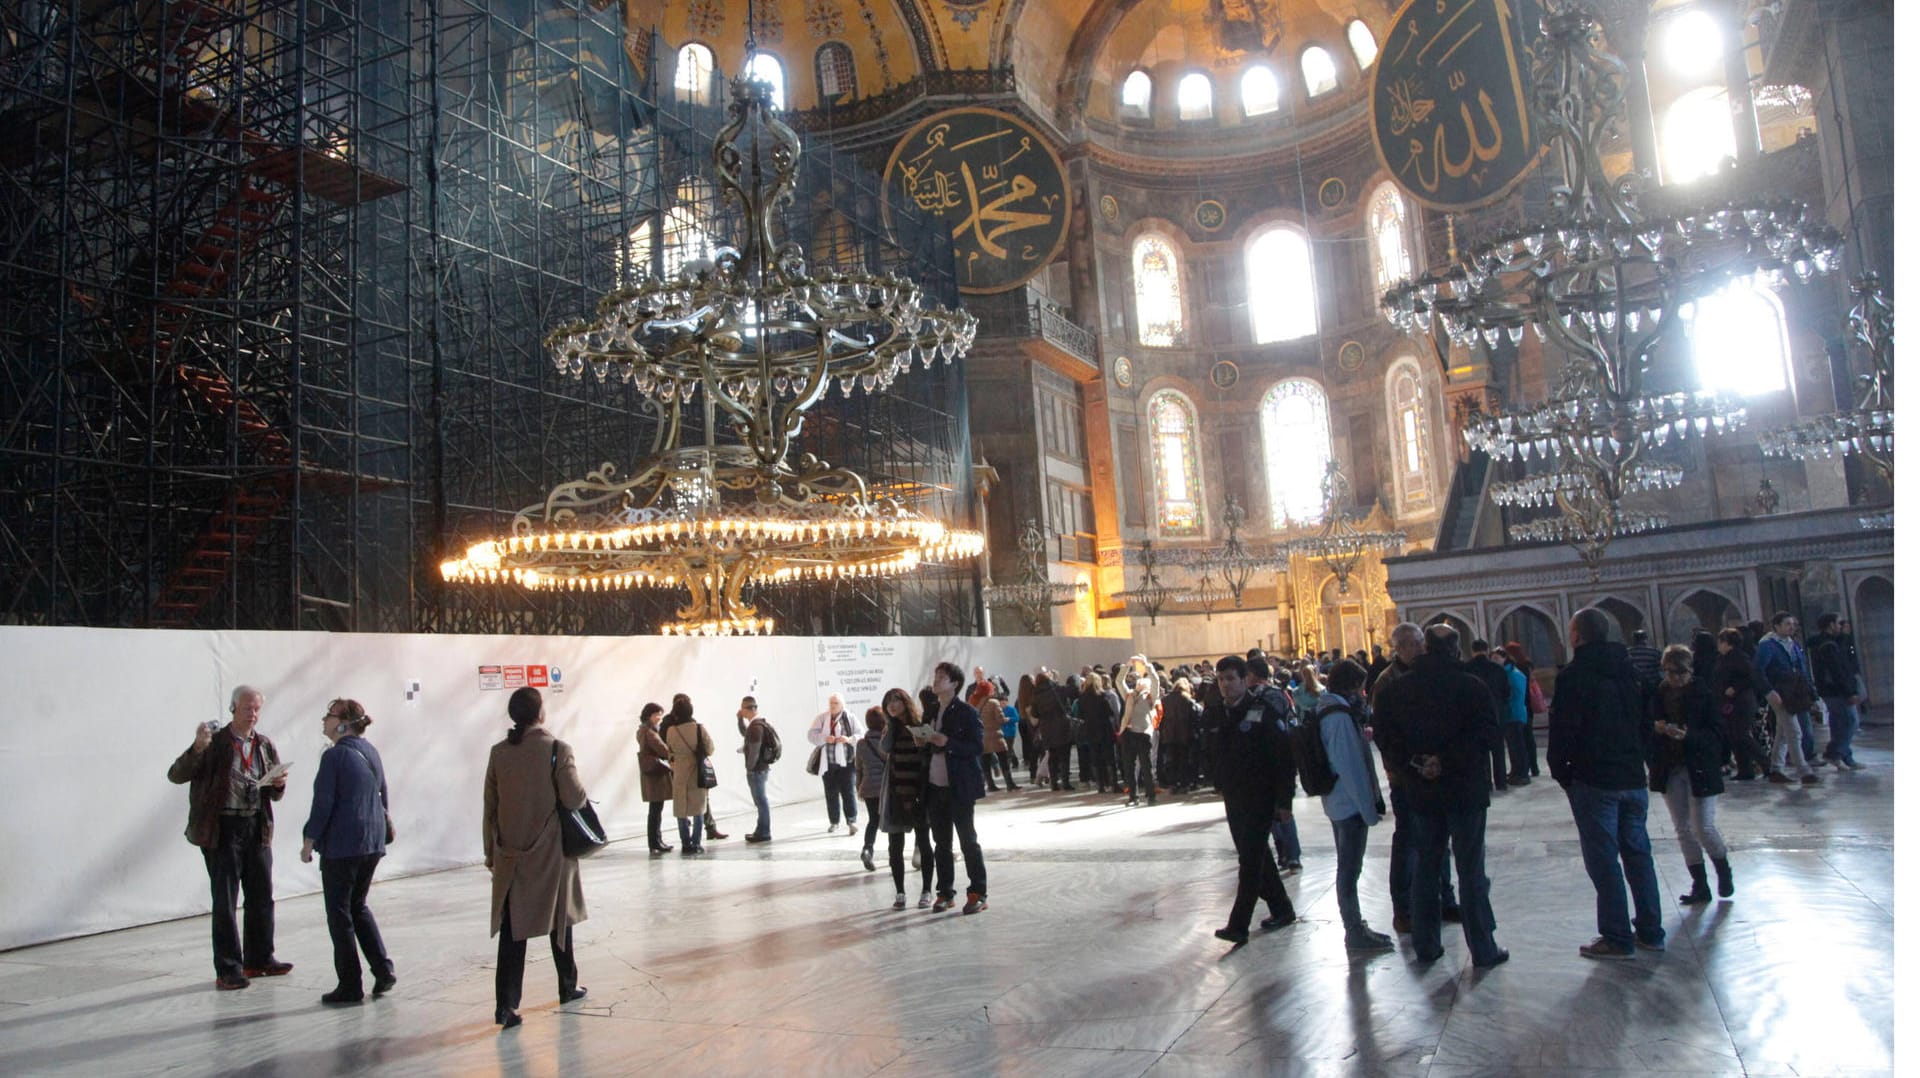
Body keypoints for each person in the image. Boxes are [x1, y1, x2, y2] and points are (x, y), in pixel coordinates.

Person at [1371, 626, 1507, 968]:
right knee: (1470, 868)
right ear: (1456, 650)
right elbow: (1488, 735)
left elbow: (1386, 740)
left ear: (1424, 648)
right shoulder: (1472, 686)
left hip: (1422, 791)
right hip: (1465, 791)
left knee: (1427, 868)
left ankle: (1426, 945)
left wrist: (1418, 764)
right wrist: (1447, 761)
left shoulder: (1397, 690)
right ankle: (1483, 948)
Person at [1548, 608, 1665, 960]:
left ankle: (1617, 936)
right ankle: (1651, 931)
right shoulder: (1631, 673)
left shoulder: (1574, 676)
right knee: (1638, 854)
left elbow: (1563, 731)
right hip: (1631, 776)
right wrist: (1637, 758)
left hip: (1594, 780)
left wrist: (1563, 773)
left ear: (1577, 635)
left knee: (1604, 859)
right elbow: (1647, 724)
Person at [167, 684, 292, 991]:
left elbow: (274, 794)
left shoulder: (263, 745)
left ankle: (260, 958)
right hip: (222, 829)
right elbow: (176, 774)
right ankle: (228, 968)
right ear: (234, 709)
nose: (253, 715)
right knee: (225, 901)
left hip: (256, 826)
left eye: (258, 709)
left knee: (261, 895)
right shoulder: (214, 742)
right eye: (248, 708)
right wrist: (197, 748)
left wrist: (278, 783)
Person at [483, 687, 588, 1028]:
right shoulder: (557, 749)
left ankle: (506, 1006)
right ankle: (567, 986)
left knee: (513, 931)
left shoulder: (499, 753)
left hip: (511, 854)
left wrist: (490, 852)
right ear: (540, 713)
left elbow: (490, 807)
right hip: (551, 852)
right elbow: (574, 799)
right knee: (560, 919)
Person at [301, 698, 395, 1004]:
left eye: (329, 716)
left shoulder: (334, 757)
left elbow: (323, 802)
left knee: (339, 913)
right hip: (371, 841)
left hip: (344, 845)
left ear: (343, 723)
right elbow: (383, 793)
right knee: (358, 906)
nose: (324, 721)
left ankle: (350, 984)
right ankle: (382, 969)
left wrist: (309, 839)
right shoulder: (370, 751)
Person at [1202, 654, 1298, 945]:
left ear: (1245, 680)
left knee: (1250, 860)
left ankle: (1238, 924)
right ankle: (1282, 907)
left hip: (1261, 796)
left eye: (1231, 678)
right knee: (1257, 857)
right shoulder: (1218, 713)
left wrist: (1285, 802)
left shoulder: (1262, 711)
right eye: (1220, 679)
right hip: (1234, 796)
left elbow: (1283, 758)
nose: (1225, 685)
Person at [1374, 624, 1459, 933]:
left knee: (1440, 837)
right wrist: (1404, 767)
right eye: (1406, 644)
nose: (1413, 649)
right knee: (1408, 839)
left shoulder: (1433, 675)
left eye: (1417, 643)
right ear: (1396, 648)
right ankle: (1403, 907)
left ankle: (1445, 899)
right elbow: (1385, 734)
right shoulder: (1387, 682)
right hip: (1404, 776)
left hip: (1435, 774)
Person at [1646, 645, 1734, 905]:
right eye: (1670, 673)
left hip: (1699, 766)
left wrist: (1689, 736)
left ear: (1690, 671)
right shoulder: (1658, 694)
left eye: (1681, 673)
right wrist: (1658, 729)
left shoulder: (1703, 693)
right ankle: (1700, 883)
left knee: (1703, 826)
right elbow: (1647, 727)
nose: (1675, 678)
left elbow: (1718, 733)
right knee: (1683, 828)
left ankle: (1723, 871)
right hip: (1670, 766)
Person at [1316, 660, 1393, 952]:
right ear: (1350, 686)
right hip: (1347, 804)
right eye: (1360, 688)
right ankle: (1353, 929)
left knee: (1349, 868)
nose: (1362, 694)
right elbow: (1350, 766)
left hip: (1340, 801)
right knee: (1349, 870)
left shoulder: (1332, 709)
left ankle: (1356, 926)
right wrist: (1368, 808)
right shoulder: (1336, 716)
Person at [924, 662, 989, 913]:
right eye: (936, 676)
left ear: (955, 684)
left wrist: (947, 742)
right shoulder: (931, 710)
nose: (937, 680)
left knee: (967, 841)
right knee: (941, 842)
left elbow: (976, 747)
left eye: (942, 677)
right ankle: (945, 892)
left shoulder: (966, 712)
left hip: (959, 786)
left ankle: (978, 892)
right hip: (935, 784)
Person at [878, 687, 936, 908]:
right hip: (895, 794)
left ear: (906, 702)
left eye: (896, 700)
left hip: (918, 791)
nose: (892, 705)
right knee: (895, 845)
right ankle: (900, 892)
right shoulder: (890, 729)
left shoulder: (919, 726)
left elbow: (928, 754)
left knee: (924, 842)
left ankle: (926, 890)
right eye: (888, 701)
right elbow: (884, 748)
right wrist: (891, 726)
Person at [1248, 656, 1301, 873]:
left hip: (1267, 761)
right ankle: (1291, 855)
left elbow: (1251, 729)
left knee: (1274, 812)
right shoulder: (1281, 694)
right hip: (1285, 758)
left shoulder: (1257, 699)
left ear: (1251, 675)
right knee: (1284, 810)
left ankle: (1287, 854)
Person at [1755, 612, 1820, 785]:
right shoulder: (1768, 646)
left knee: (1784, 731)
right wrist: (1769, 691)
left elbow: (1802, 668)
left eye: (1793, 624)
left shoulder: (1793, 644)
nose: (1791, 627)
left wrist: (1810, 691)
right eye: (1787, 624)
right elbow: (1758, 670)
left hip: (1794, 690)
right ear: (1776, 626)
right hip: (1779, 691)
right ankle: (1803, 770)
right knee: (1793, 730)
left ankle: (1775, 769)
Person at [1710, 628, 1768, 781]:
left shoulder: (1739, 657)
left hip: (1741, 702)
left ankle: (1766, 763)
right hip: (1729, 703)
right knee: (1734, 736)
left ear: (1727, 643)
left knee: (1742, 735)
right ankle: (1745, 769)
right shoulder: (1723, 658)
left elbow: (1751, 676)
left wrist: (1735, 687)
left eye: (1720, 642)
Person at [1808, 614, 1862, 769]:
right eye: (1839, 623)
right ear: (1831, 625)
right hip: (1837, 691)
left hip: (1830, 690)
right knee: (1850, 721)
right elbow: (1838, 671)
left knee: (1840, 724)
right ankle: (1835, 752)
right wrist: (1850, 692)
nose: (1841, 626)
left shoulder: (1829, 643)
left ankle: (1844, 757)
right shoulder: (1828, 646)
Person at [664, 694, 716, 855]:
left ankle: (685, 844)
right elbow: (710, 749)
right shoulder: (699, 728)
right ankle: (696, 843)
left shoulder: (671, 731)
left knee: (681, 809)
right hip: (696, 773)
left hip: (679, 773)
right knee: (698, 809)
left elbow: (669, 751)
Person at [808, 693, 860, 835]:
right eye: (831, 703)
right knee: (831, 793)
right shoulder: (822, 718)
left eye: (836, 703)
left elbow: (861, 735)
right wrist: (825, 738)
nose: (832, 706)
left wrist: (848, 739)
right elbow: (811, 735)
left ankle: (851, 821)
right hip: (828, 763)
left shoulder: (849, 718)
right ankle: (834, 822)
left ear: (842, 705)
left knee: (848, 792)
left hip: (846, 763)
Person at [1465, 640, 1513, 792]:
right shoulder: (1497, 669)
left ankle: (1486, 783)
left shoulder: (1468, 668)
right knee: (1498, 750)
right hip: (1497, 714)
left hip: (1476, 716)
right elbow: (1506, 692)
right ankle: (1501, 782)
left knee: (1482, 752)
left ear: (1473, 651)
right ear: (1486, 650)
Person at [1117, 655, 1160, 806]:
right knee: (1129, 767)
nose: (1140, 682)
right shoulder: (1129, 695)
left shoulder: (1150, 697)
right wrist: (1127, 666)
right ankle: (1133, 797)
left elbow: (1156, 681)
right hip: (1128, 734)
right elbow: (1119, 682)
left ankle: (1151, 795)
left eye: (1143, 681)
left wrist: (1147, 665)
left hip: (1143, 734)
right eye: (1139, 682)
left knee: (1146, 766)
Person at [1503, 640, 1545, 779]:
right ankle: (1533, 767)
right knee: (1528, 738)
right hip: (1527, 707)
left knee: (1520, 741)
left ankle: (1524, 769)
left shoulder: (1517, 669)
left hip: (1521, 705)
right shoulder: (1527, 665)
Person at [636, 703, 674, 853]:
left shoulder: (642, 730)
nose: (659, 717)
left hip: (650, 774)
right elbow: (663, 750)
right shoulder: (649, 732)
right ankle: (655, 842)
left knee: (655, 809)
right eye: (657, 714)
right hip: (656, 775)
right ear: (649, 715)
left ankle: (656, 841)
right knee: (656, 810)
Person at [855, 706, 887, 870]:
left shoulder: (861, 744)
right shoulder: (886, 742)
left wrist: (859, 787)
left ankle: (867, 849)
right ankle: (893, 854)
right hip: (885, 787)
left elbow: (858, 768)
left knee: (873, 820)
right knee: (890, 821)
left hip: (868, 787)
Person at [739, 696, 775, 843]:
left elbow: (754, 749)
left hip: (757, 770)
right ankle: (760, 830)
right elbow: (744, 734)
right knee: (761, 801)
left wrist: (749, 768)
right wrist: (739, 720)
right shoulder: (758, 724)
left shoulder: (755, 727)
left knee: (761, 801)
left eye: (742, 708)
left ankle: (764, 832)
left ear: (746, 709)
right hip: (761, 768)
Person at [1033, 670, 1077, 791]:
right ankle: (1066, 782)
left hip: (1047, 728)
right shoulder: (1057, 690)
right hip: (1062, 726)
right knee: (1065, 756)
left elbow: (1034, 713)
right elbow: (1073, 690)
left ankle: (1054, 783)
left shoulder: (1036, 695)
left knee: (1052, 756)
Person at [1494, 649, 1532, 786]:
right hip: (1513, 713)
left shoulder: (1512, 674)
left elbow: (1513, 695)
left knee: (1518, 746)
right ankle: (1516, 771)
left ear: (1504, 658)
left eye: (1496, 658)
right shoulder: (1509, 672)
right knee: (1513, 746)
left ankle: (1522, 773)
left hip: (1514, 714)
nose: (1494, 661)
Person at [1159, 677, 1200, 794]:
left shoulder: (1165, 700)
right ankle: (1184, 784)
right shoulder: (1188, 700)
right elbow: (1194, 718)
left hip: (1169, 735)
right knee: (1184, 760)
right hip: (1185, 735)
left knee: (1171, 760)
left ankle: (1173, 784)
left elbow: (1160, 718)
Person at [1078, 673, 1118, 793]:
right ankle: (1113, 784)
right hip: (1104, 729)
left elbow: (1080, 714)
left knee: (1096, 759)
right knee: (1110, 758)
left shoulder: (1082, 697)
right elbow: (1110, 712)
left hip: (1090, 730)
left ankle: (1100, 785)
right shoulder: (1102, 695)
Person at [982, 696, 1019, 792]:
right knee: (1004, 759)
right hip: (995, 735)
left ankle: (990, 785)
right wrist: (1004, 720)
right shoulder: (993, 702)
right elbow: (1000, 719)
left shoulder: (974, 703)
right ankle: (1009, 783)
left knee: (985, 761)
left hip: (982, 736)